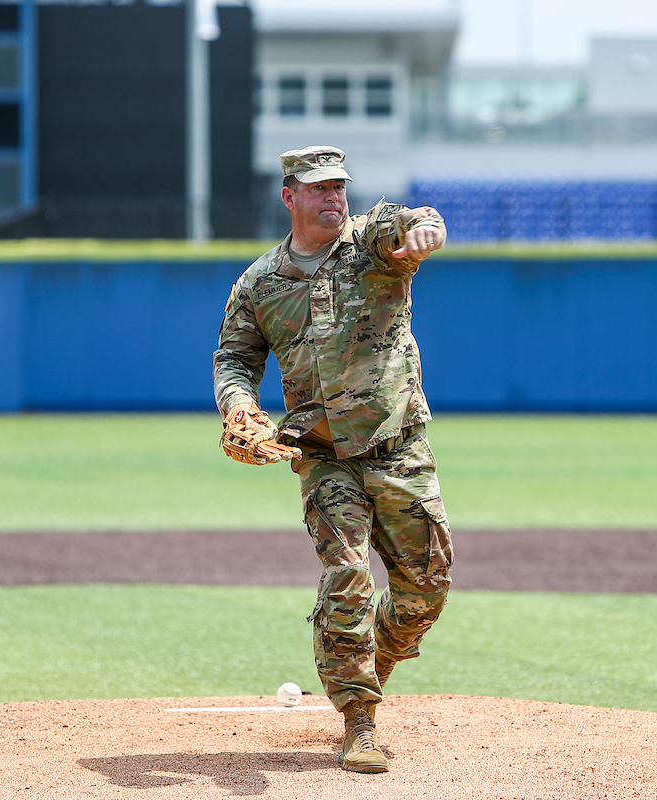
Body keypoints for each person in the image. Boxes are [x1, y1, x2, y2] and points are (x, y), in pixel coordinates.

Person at [212, 145, 453, 774]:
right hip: (322, 456)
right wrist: (240, 408)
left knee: (425, 590)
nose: (333, 198)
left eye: (339, 186)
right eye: (318, 189)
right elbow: (235, 360)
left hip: (399, 445)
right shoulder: (261, 283)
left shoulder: (371, 249)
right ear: (289, 196)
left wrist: (421, 230)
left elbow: (404, 224)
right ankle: (359, 721)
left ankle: (368, 660)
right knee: (347, 576)